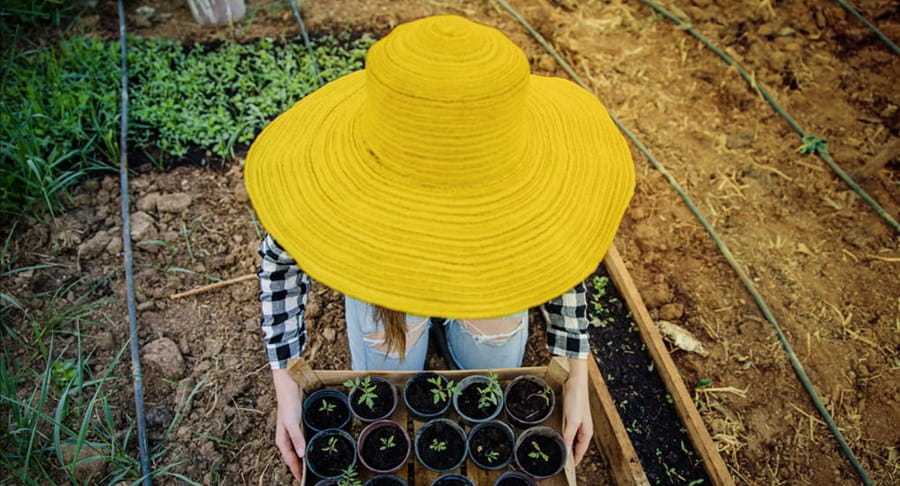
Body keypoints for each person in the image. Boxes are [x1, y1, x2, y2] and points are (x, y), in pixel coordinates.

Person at [244, 15, 634, 482]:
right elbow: (279, 260)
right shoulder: (333, 190)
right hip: (385, 283)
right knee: (391, 361)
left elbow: (561, 261)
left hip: (488, 274)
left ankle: (461, 341)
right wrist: (285, 379)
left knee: (489, 363)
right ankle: (407, 332)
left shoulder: (532, 191)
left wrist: (575, 375)